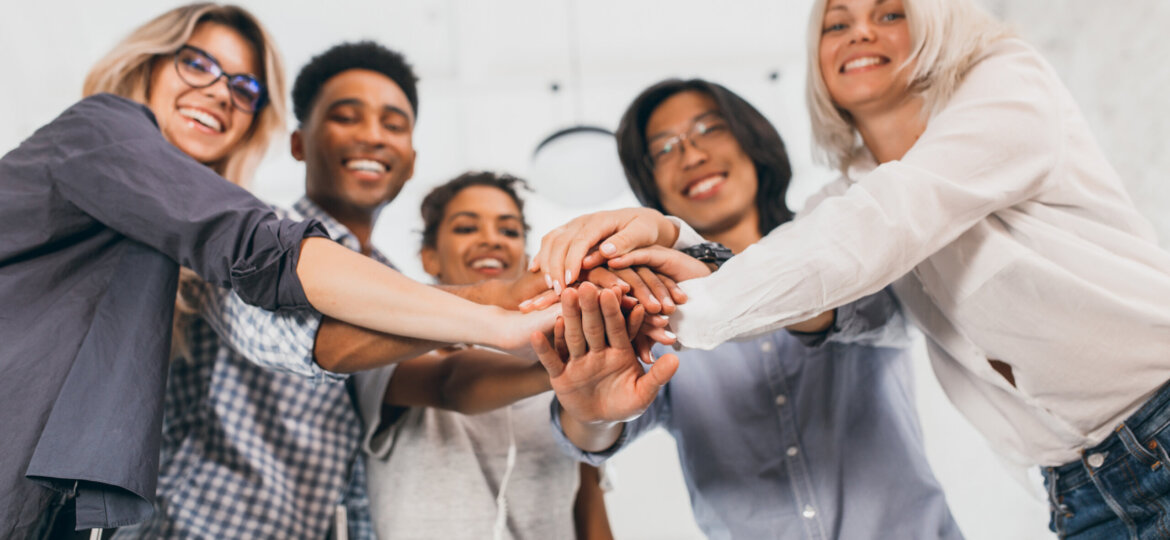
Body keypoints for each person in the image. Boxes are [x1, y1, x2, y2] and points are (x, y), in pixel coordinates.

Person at [530, 0, 1170, 537]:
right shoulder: (834, 209)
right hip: (1078, 488)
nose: (861, 30)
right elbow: (599, 421)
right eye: (836, 23)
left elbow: (883, 232)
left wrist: (687, 255)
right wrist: (588, 399)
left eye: (890, 12)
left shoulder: (1000, 87)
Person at [0, 5, 553, 537]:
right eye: (196, 63)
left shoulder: (176, 243)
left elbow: (320, 346)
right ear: (147, 63)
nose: (220, 91)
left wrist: (543, 344)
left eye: (244, 88)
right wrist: (493, 308)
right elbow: (273, 279)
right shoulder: (106, 129)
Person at [542, 79, 959, 539]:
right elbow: (593, 435)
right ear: (651, 184)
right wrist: (592, 414)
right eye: (664, 149)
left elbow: (879, 312)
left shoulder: (838, 235)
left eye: (710, 129)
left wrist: (716, 272)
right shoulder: (652, 306)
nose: (692, 155)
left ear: (752, 140)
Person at [352, 172, 612, 540]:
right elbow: (448, 383)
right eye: (466, 228)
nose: (491, 239)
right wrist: (556, 368)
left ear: (525, 261)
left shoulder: (564, 367)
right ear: (429, 258)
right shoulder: (388, 350)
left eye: (508, 231)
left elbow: (589, 506)